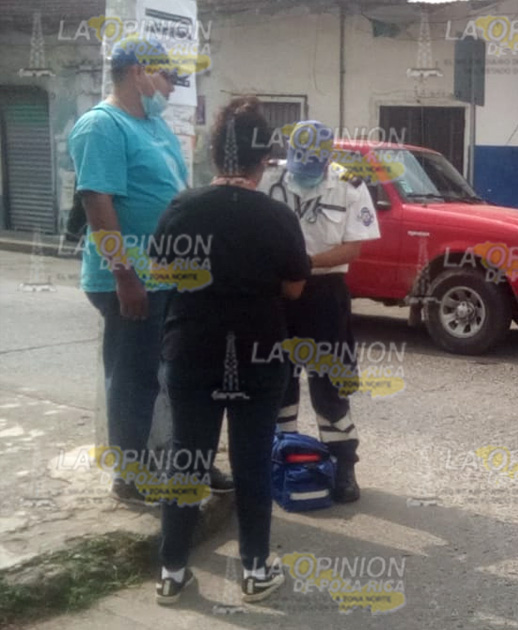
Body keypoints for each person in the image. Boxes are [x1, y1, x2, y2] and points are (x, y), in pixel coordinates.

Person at [152, 96, 311, 605]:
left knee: (187, 460)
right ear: (263, 160)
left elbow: (160, 276)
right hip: (258, 354)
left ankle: (173, 573)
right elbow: (293, 289)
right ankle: (255, 570)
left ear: (215, 157)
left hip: (191, 350)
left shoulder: (182, 207)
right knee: (250, 463)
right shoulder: (276, 216)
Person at [68, 36, 232, 503]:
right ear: (138, 71)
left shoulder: (154, 127)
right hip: (131, 280)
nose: (170, 88)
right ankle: (130, 475)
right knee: (134, 374)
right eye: (166, 77)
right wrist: (125, 275)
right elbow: (97, 202)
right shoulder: (102, 127)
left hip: (171, 276)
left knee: (178, 375)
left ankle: (189, 460)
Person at [261, 120, 381, 503]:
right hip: (276, 293)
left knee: (329, 383)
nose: (305, 170)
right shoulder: (269, 178)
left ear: (329, 157)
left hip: (325, 292)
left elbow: (353, 248)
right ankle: (281, 458)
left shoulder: (350, 183)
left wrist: (304, 266)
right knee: (278, 380)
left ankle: (344, 466)